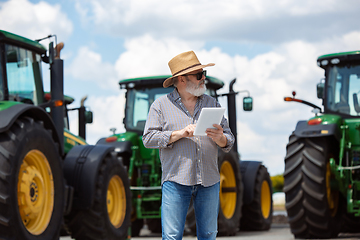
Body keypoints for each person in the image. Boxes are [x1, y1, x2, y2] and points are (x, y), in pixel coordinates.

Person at [142, 51, 235, 240]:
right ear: (182, 79)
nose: (203, 79)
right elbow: (148, 138)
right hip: (176, 181)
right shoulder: (160, 106)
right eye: (199, 75)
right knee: (172, 236)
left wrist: (220, 138)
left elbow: (229, 140)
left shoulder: (212, 103)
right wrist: (180, 133)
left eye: (204, 74)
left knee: (208, 236)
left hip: (209, 181)